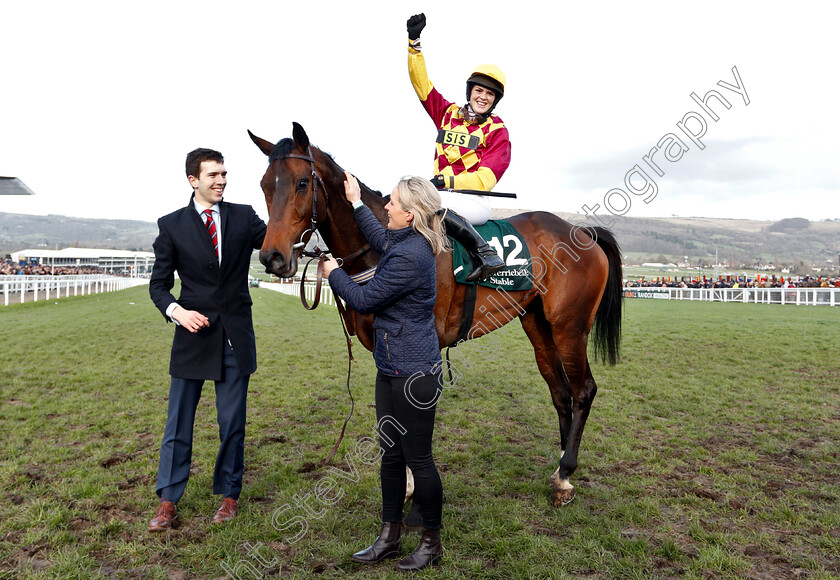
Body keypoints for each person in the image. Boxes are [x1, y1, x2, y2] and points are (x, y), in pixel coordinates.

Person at [322, 173, 447, 571]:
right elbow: (380, 239)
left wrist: (332, 273)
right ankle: (389, 536)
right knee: (390, 456)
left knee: (419, 458)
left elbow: (363, 298)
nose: (387, 207)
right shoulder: (405, 240)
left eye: (392, 203)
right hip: (391, 366)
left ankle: (431, 541)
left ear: (410, 215)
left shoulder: (410, 256)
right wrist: (357, 202)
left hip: (413, 374)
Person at [147, 148, 266, 531]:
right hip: (191, 337)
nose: (221, 180)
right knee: (178, 424)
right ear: (193, 180)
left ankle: (230, 495)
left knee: (232, 423)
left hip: (234, 338)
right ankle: (168, 499)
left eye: (224, 174)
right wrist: (176, 312)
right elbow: (159, 286)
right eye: (213, 175)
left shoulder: (244, 217)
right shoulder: (171, 225)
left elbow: (279, 242)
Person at [406, 12, 509, 282]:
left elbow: (485, 179)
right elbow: (422, 85)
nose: (483, 97)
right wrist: (414, 43)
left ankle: (486, 254)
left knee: (425, 204)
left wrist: (446, 178)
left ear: (494, 100)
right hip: (443, 194)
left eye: (490, 94)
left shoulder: (497, 131)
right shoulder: (447, 113)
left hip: (473, 200)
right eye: (479, 91)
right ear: (470, 91)